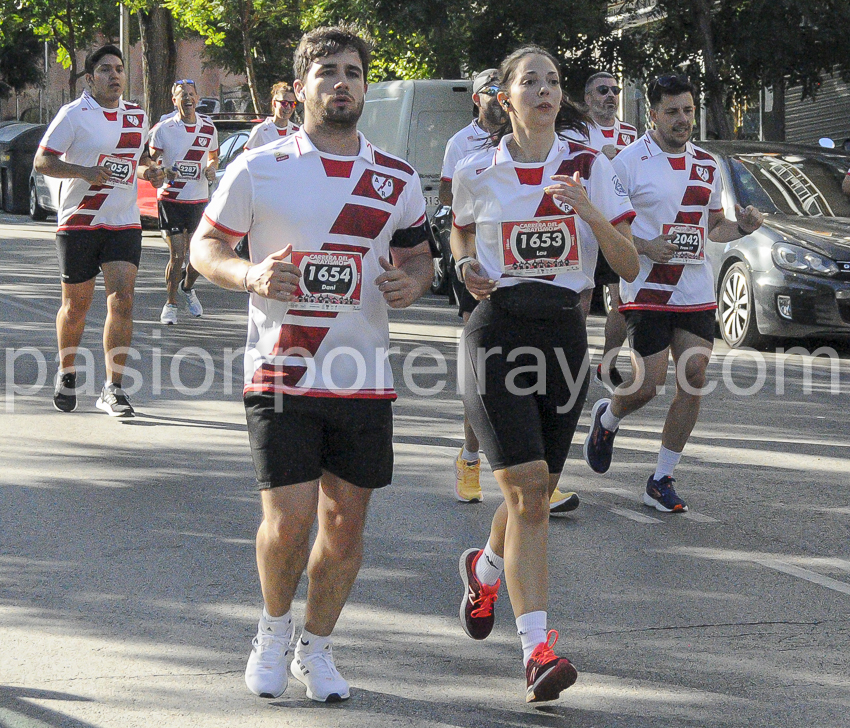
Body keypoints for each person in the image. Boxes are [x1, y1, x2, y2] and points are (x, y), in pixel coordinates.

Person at [190, 25, 433, 703]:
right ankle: (272, 631)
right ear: (300, 88)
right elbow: (205, 247)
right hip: (282, 369)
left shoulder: (395, 178)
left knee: (345, 528)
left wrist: (413, 282)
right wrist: (249, 275)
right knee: (289, 523)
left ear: (365, 86)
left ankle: (316, 647)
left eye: (352, 72)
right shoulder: (258, 166)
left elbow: (419, 256)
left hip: (363, 377)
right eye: (327, 72)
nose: (341, 83)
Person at [451, 45, 638, 702]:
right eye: (530, 81)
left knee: (532, 491)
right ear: (505, 97)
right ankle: (537, 653)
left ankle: (485, 569)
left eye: (554, 81)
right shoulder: (477, 169)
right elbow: (461, 236)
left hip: (563, 336)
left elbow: (629, 264)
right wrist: (465, 266)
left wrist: (588, 210)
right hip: (497, 333)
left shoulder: (591, 166)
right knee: (530, 494)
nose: (545, 90)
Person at [583, 73, 764, 513]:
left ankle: (661, 479)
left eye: (688, 110)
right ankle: (609, 417)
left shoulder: (707, 164)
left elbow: (713, 226)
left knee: (694, 376)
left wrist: (742, 227)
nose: (683, 119)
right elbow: (608, 226)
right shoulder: (627, 162)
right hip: (647, 287)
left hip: (695, 287)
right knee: (648, 386)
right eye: (673, 112)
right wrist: (645, 246)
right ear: (653, 115)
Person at [34, 44, 164, 417]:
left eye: (119, 69)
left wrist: (150, 172)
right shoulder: (74, 114)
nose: (115, 75)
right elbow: (43, 160)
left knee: (122, 300)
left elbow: (138, 161)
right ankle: (67, 370)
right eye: (106, 69)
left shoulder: (136, 116)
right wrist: (84, 172)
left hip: (123, 222)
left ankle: (113, 388)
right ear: (91, 79)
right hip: (79, 221)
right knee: (76, 306)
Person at [568, 72, 638, 391]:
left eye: (615, 89)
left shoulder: (630, 132)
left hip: (616, 223)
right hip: (583, 226)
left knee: (621, 300)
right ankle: (573, 365)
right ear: (588, 98)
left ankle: (607, 365)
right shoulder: (577, 132)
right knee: (581, 301)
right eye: (602, 90)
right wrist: (602, 159)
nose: (610, 95)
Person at [149, 79, 219, 325]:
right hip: (171, 199)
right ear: (174, 101)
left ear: (197, 98)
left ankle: (187, 288)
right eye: (182, 95)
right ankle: (170, 304)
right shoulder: (163, 129)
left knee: (198, 256)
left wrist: (211, 168)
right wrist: (162, 171)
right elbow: (150, 161)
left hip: (198, 199)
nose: (187, 99)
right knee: (178, 254)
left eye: (191, 94)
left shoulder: (208, 127)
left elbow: (213, 156)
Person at [244, 82, 300, 150]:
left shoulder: (297, 132)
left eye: (292, 104)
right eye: (284, 103)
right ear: (274, 103)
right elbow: (247, 155)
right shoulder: (260, 130)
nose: (288, 107)